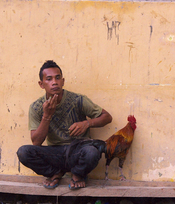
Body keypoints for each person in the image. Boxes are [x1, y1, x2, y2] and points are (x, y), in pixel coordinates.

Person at [17, 60, 112, 190]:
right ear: (41, 84)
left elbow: (107, 117)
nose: (54, 82)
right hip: (55, 153)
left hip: (77, 150)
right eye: (49, 79)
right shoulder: (36, 107)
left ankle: (78, 174)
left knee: (92, 152)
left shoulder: (78, 100)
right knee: (24, 152)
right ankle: (55, 173)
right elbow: (36, 142)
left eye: (58, 78)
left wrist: (87, 123)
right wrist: (47, 116)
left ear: (63, 81)